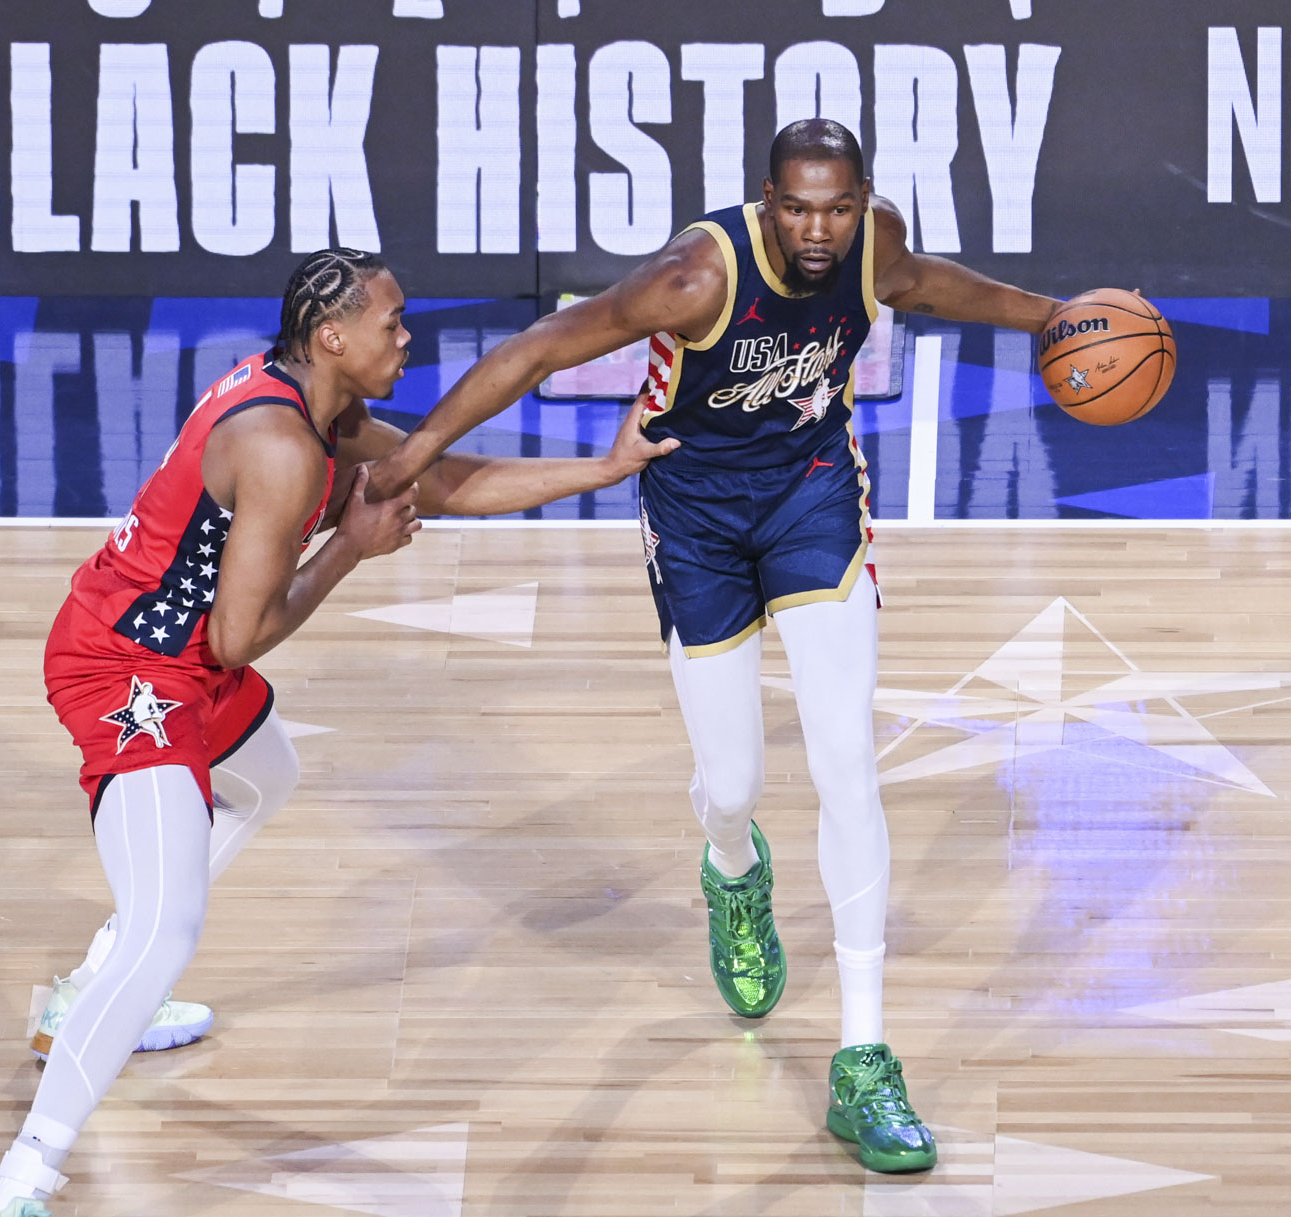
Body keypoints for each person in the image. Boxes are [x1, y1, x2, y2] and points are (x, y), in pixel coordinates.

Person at [367, 119, 1067, 1173]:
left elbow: (928, 284)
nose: (819, 230)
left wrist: (1055, 315)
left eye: (838, 207)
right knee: (731, 783)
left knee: (847, 764)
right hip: (693, 515)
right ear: (767, 200)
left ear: (862, 199)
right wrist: (413, 454)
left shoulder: (874, 244)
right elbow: (538, 348)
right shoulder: (695, 275)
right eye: (799, 208)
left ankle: (865, 1057)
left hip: (811, 497)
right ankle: (733, 869)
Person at [0, 247, 676, 1217]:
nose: (408, 337)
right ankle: (23, 1180)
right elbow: (241, 635)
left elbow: (437, 477)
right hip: (125, 667)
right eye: (392, 322)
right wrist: (350, 545)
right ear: (333, 335)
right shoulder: (281, 446)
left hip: (180, 658)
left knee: (267, 774)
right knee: (167, 930)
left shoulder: (318, 410)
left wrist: (605, 467)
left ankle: (87, 990)